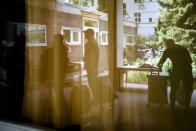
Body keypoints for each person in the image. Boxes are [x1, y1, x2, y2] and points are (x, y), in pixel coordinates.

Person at [157, 38, 193, 108]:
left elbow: (161, 61)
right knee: (187, 89)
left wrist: (159, 66)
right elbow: (190, 61)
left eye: (166, 45)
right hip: (187, 70)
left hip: (176, 70)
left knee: (173, 88)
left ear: (168, 44)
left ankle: (172, 106)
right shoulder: (183, 49)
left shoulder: (168, 50)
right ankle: (187, 107)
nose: (166, 46)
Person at [83, 29, 99, 105]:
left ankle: (96, 100)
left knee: (93, 83)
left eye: (86, 33)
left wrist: (93, 68)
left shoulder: (93, 43)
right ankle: (95, 99)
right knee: (92, 83)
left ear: (91, 34)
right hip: (91, 67)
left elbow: (94, 57)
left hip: (92, 68)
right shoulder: (91, 43)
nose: (85, 35)